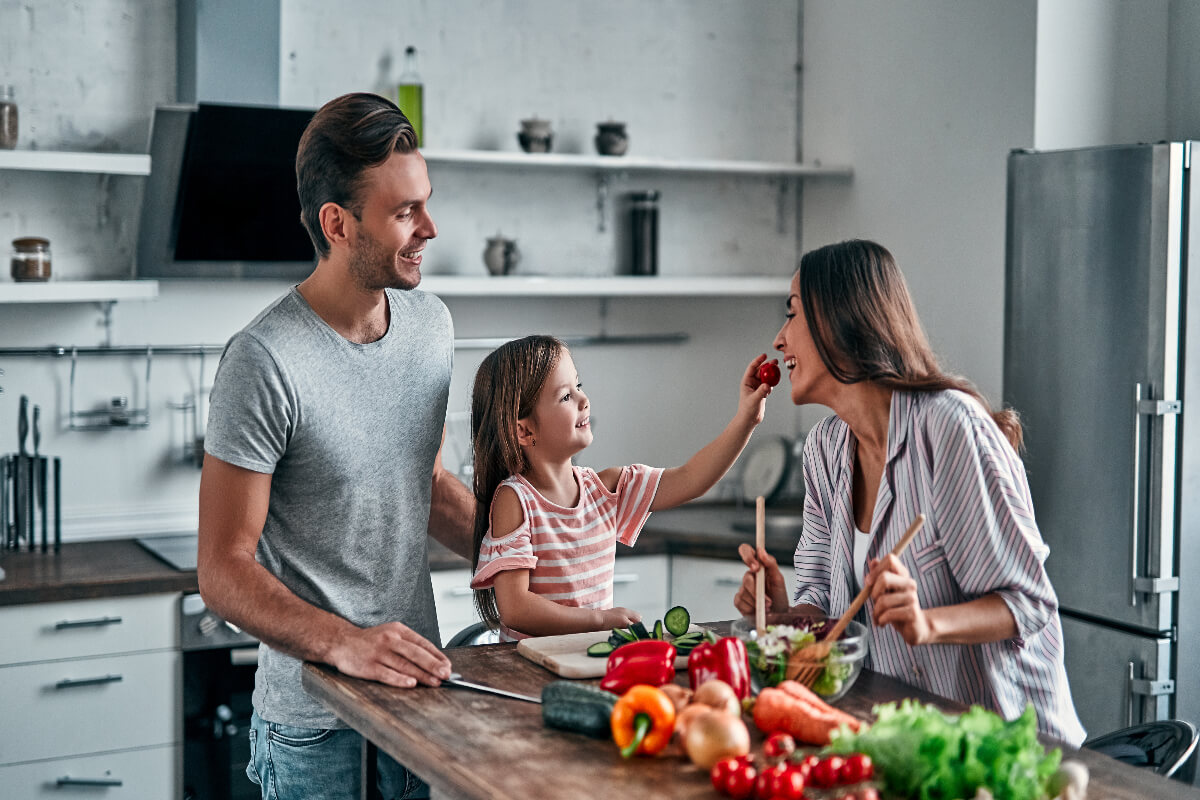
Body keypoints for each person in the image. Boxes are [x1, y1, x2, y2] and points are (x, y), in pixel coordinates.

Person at [197, 92, 475, 800]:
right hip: (312, 728)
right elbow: (223, 570)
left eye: (426, 203)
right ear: (338, 223)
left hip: (414, 701)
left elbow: (426, 483)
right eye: (405, 212)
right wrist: (347, 642)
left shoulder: (431, 328)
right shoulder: (263, 359)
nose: (429, 228)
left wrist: (532, 553)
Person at [733, 239, 1086, 746]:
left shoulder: (948, 429)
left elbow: (1028, 604)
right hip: (909, 740)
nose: (779, 339)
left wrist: (927, 623)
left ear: (838, 321)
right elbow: (829, 613)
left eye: (792, 315)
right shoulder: (825, 450)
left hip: (1007, 749)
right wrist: (784, 613)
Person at [468, 335, 772, 640]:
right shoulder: (515, 499)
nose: (583, 400)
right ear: (524, 430)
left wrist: (747, 419)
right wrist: (599, 620)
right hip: (528, 670)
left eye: (579, 386)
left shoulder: (606, 490)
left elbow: (692, 478)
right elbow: (516, 609)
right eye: (565, 396)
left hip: (588, 662)